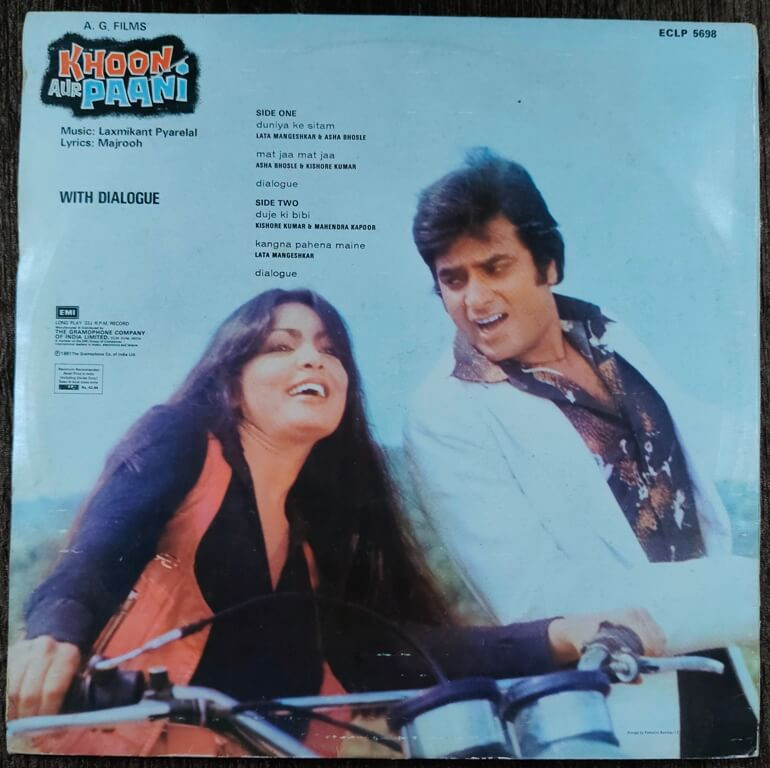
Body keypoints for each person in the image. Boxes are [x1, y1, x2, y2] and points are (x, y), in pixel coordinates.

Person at [8, 288, 663, 757]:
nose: (312, 360)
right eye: (280, 346)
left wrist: (561, 634)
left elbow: (390, 652)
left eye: (329, 351)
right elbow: (97, 555)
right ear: (232, 383)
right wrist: (55, 635)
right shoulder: (180, 439)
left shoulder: (314, 549)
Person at [404, 150, 759, 758]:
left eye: (495, 267)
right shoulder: (443, 412)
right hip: (614, 709)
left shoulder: (607, 330)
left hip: (720, 670)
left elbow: (698, 440)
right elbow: (537, 602)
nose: (475, 298)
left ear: (549, 264)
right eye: (453, 279)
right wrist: (745, 590)